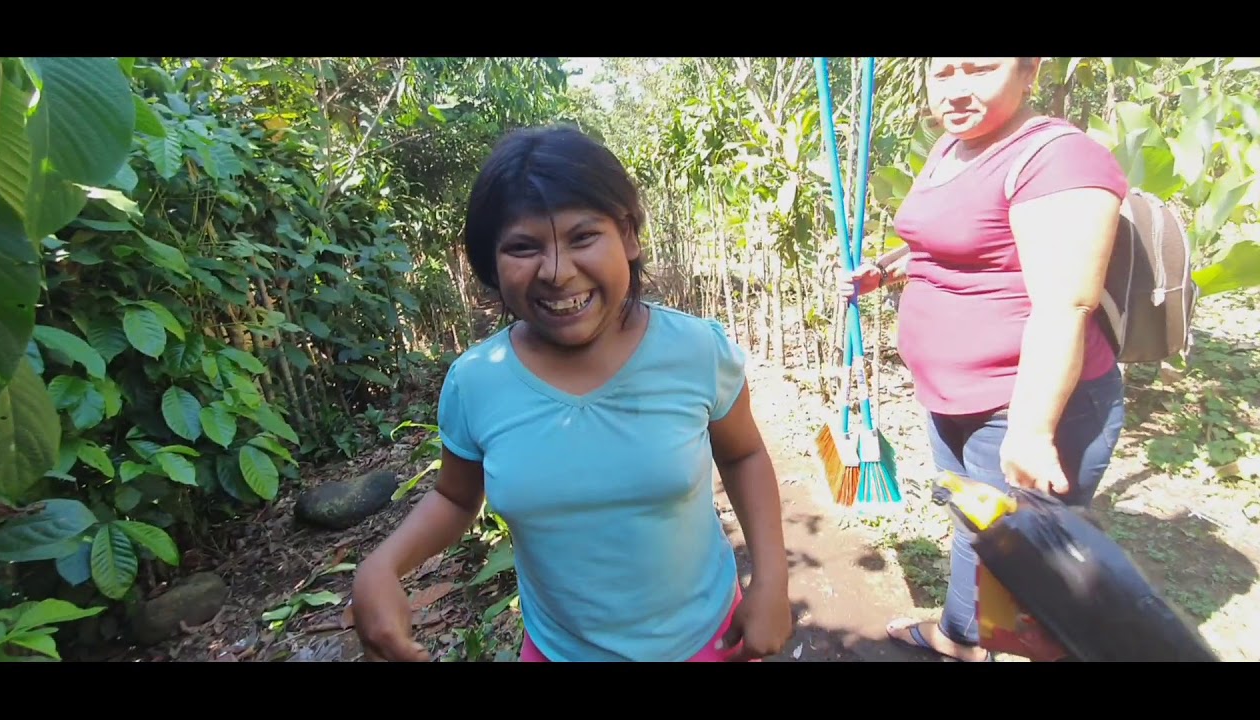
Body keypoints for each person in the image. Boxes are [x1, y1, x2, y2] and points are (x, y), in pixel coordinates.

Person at [350, 124, 793, 662]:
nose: (557, 272)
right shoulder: (476, 381)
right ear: (491, 265)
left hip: (708, 642)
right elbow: (455, 497)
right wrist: (383, 564)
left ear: (628, 235)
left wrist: (771, 579)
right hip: (559, 651)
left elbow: (743, 453)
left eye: (583, 236)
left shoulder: (697, 352)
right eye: (522, 246)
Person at [837, 57, 1128, 662]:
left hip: (1023, 405)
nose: (957, 89)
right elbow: (951, 244)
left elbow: (1066, 303)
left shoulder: (1057, 158)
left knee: (1028, 569)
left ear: (1030, 73)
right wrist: (886, 270)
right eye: (942, 73)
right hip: (956, 400)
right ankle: (961, 637)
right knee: (977, 530)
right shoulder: (954, 148)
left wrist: (1031, 429)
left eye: (980, 68)